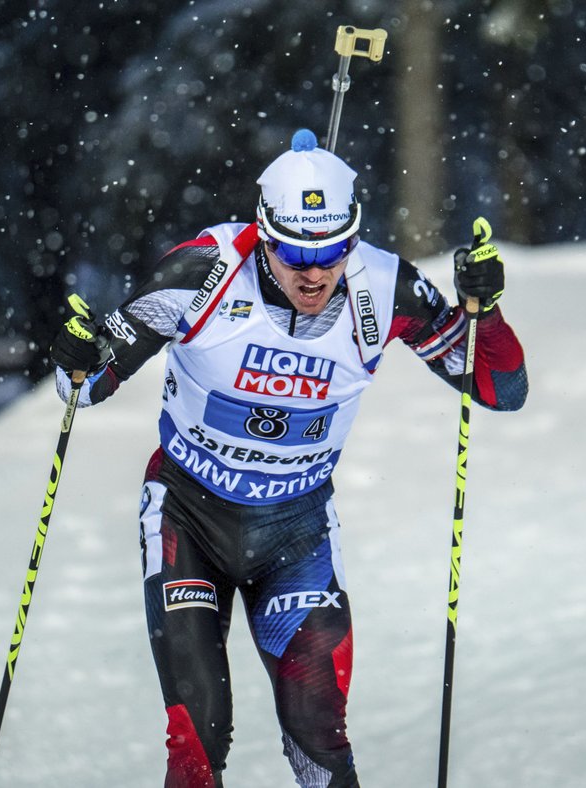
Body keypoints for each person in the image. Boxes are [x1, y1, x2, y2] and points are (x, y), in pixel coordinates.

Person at [49, 129, 528, 788]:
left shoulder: (385, 290)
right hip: (189, 518)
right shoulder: (202, 274)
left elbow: (500, 388)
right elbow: (89, 382)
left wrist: (486, 313)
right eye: (295, 253)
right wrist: (78, 356)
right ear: (263, 235)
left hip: (294, 532)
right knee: (199, 734)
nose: (314, 272)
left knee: (318, 727)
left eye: (331, 251)